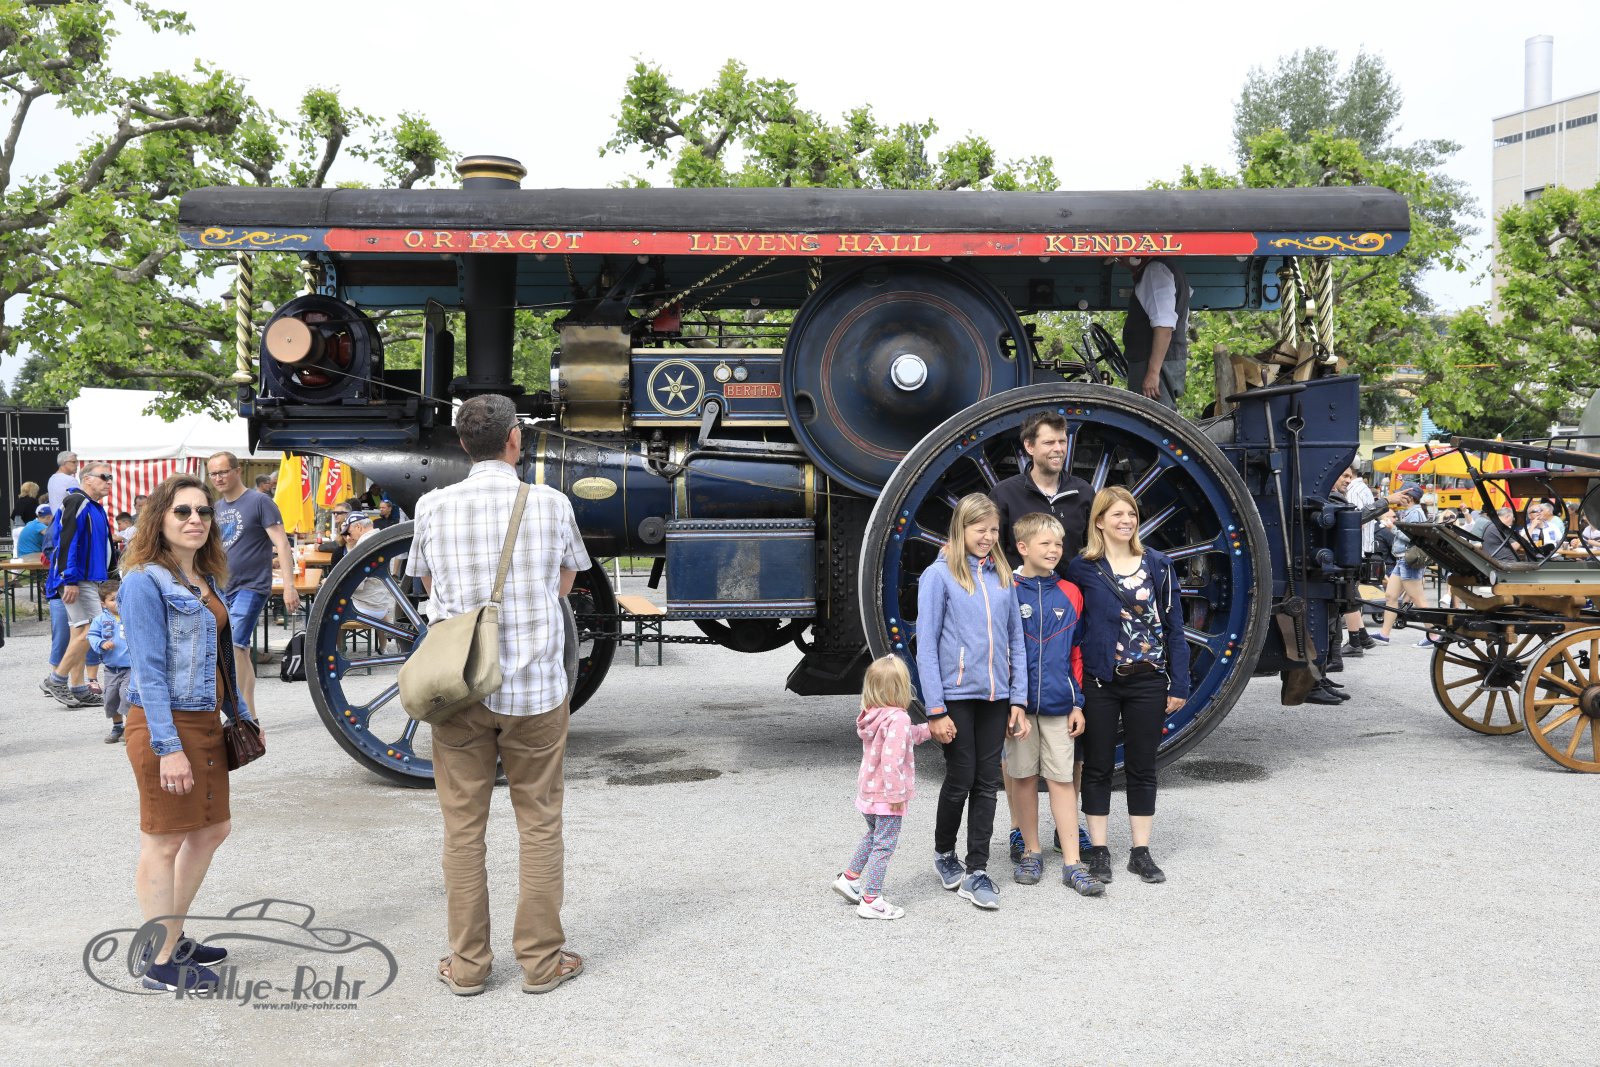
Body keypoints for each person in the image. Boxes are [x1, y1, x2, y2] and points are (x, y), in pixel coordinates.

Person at [406, 394, 591, 996]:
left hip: (459, 689)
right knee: (539, 823)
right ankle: (541, 962)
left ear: (463, 444)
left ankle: (468, 966)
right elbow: (566, 581)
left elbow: (428, 583)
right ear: (515, 440)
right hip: (534, 688)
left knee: (463, 830)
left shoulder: (432, 506)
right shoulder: (550, 503)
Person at [119, 474, 251, 992]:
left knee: (212, 830)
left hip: (206, 722)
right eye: (182, 511)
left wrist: (238, 713)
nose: (195, 519)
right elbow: (148, 670)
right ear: (160, 519)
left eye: (203, 511)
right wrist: (168, 747)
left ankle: (171, 936)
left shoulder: (204, 577)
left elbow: (220, 656)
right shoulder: (144, 581)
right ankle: (159, 961)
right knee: (164, 840)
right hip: (165, 725)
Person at [1066, 486, 1190, 886]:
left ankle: (1141, 851)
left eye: (1131, 514)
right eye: (1117, 514)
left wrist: (1180, 683)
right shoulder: (1083, 568)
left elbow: (1174, 628)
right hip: (1101, 680)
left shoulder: (1158, 564)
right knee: (1097, 766)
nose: (1126, 521)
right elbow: (1072, 627)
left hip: (1148, 680)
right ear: (1099, 521)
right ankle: (1100, 850)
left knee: (1142, 765)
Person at [987, 410, 1095, 863]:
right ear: (1029, 447)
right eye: (1048, 442)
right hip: (1024, 609)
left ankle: (1067, 831)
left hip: (1069, 607)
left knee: (1070, 747)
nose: (1057, 449)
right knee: (1019, 751)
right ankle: (1019, 829)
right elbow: (988, 545)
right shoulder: (1006, 493)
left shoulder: (1083, 492)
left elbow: (1094, 548)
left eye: (1062, 442)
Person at [914, 492, 1028, 911]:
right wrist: (935, 709)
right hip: (955, 695)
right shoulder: (938, 576)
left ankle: (977, 869)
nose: (988, 537)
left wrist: (1018, 699)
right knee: (961, 776)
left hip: (996, 695)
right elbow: (926, 646)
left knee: (986, 781)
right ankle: (945, 853)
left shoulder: (1003, 576)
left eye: (994, 530)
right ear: (960, 529)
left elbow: (1016, 640)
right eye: (980, 529)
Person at [1007, 513, 1102, 896]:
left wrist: (1077, 703)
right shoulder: (1007, 589)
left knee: (1063, 780)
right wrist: (1008, 703)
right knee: (1023, 778)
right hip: (1019, 707)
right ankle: (1031, 851)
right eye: (1044, 543)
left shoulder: (1071, 592)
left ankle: (1072, 862)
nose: (1053, 550)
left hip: (1060, 705)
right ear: (1023, 547)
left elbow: (1076, 653)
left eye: (1058, 544)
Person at [831, 655, 933, 921]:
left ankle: (850, 878)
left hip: (869, 793)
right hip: (888, 797)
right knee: (884, 847)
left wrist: (928, 730)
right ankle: (872, 899)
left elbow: (905, 738)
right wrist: (897, 795)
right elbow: (892, 760)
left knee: (873, 836)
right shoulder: (898, 718)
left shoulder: (873, 716)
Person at [206, 451, 299, 723]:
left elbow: (282, 544)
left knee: (235, 645)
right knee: (240, 649)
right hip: (222, 587)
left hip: (252, 585)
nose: (218, 478)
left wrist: (290, 586)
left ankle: (240, 714)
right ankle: (250, 715)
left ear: (237, 471)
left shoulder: (260, 501)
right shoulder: (216, 508)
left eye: (223, 471)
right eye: (213, 474)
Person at [44, 461, 116, 708]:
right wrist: (70, 579)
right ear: (87, 479)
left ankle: (78, 687)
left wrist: (109, 576)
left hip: (87, 578)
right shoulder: (77, 501)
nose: (109, 481)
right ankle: (57, 679)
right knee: (93, 629)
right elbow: (66, 540)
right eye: (104, 476)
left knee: (80, 633)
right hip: (77, 578)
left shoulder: (95, 507)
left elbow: (105, 547)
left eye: (111, 477)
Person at [1119, 256, 1190, 410]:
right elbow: (1182, 324)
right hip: (1166, 362)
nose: (1121, 264)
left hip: (1154, 365)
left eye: (1121, 258)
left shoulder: (1155, 271)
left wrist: (1153, 373)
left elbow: (1164, 327)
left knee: (1152, 416)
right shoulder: (1168, 269)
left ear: (1135, 255)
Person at [1375, 483, 1428, 643]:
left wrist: (1392, 528)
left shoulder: (1415, 513)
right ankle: (1384, 634)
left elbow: (1413, 536)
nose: (1398, 497)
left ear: (1409, 498)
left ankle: (1434, 635)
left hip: (1407, 560)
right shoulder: (1412, 512)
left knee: (1417, 598)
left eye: (1402, 494)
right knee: (1391, 596)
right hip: (1402, 560)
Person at [1340, 466, 1380, 657]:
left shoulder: (1353, 491)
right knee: (1351, 594)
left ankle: (1356, 641)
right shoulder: (1364, 489)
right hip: (1362, 548)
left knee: (1349, 594)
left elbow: (1355, 521)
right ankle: (1362, 637)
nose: (1346, 480)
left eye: (1348, 476)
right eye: (1344, 476)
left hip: (1353, 549)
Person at [91, 579, 132, 743]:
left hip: (131, 667)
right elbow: (92, 636)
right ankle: (117, 726)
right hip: (111, 668)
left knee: (127, 696)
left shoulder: (131, 615)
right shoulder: (100, 620)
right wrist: (101, 643)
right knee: (111, 698)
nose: (118, 602)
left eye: (121, 598)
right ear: (103, 603)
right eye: (113, 599)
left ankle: (131, 728)